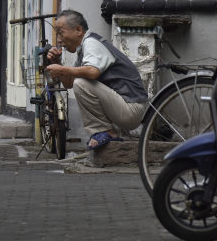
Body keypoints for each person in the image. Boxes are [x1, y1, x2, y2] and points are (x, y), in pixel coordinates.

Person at [46, 9, 148, 149]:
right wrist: (57, 62)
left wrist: (62, 70)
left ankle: (105, 132)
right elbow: (69, 83)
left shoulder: (91, 43)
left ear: (78, 30)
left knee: (81, 83)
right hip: (126, 107)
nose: (58, 40)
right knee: (78, 82)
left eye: (60, 32)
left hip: (131, 108)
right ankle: (105, 132)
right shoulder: (83, 49)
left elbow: (92, 72)